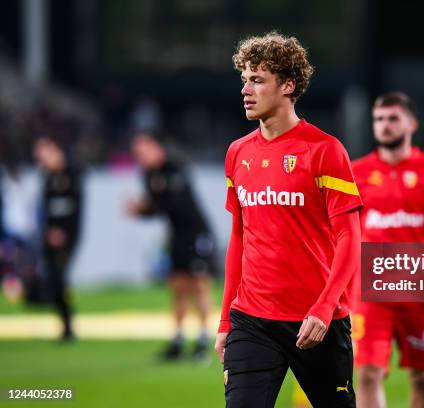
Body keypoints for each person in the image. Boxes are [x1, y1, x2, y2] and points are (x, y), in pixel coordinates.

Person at [215, 32, 362, 407]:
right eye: (244, 80)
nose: (246, 90)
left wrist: (326, 306)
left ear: (288, 85)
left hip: (316, 322)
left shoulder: (325, 151)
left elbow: (350, 239)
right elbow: (239, 238)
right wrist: (225, 321)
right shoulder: (237, 153)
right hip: (251, 320)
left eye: (258, 80)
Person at [351, 92, 424, 408]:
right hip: (371, 291)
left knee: (422, 377)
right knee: (368, 373)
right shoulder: (356, 173)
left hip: (417, 290)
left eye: (393, 118)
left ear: (412, 123)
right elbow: (341, 232)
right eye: (379, 119)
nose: (385, 125)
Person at [127, 131, 216, 361]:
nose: (141, 156)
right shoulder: (148, 175)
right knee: (177, 287)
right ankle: (177, 339)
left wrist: (147, 207)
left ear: (157, 147)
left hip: (196, 234)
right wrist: (141, 211)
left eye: (144, 150)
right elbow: (158, 208)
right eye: (137, 152)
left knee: (199, 287)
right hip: (176, 235)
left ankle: (204, 339)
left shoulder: (175, 168)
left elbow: (172, 203)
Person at [34, 136, 82, 341]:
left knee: (58, 278)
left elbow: (73, 209)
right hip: (50, 236)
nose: (40, 159)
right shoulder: (47, 177)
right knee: (53, 279)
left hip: (66, 237)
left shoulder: (71, 173)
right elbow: (46, 209)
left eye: (43, 154)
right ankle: (65, 322)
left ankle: (68, 324)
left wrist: (62, 232)